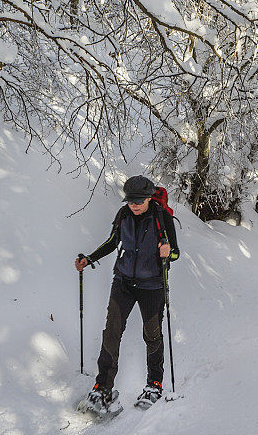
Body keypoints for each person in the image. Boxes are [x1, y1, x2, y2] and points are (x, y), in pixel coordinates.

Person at [75, 175, 179, 415]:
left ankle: (154, 384)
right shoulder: (123, 215)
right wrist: (89, 258)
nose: (135, 205)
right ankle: (103, 388)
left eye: (139, 200)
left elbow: (175, 253)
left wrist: (168, 252)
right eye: (131, 200)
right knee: (112, 331)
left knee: (152, 335)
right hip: (123, 282)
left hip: (152, 285)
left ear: (149, 197)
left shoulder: (162, 217)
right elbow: (113, 242)